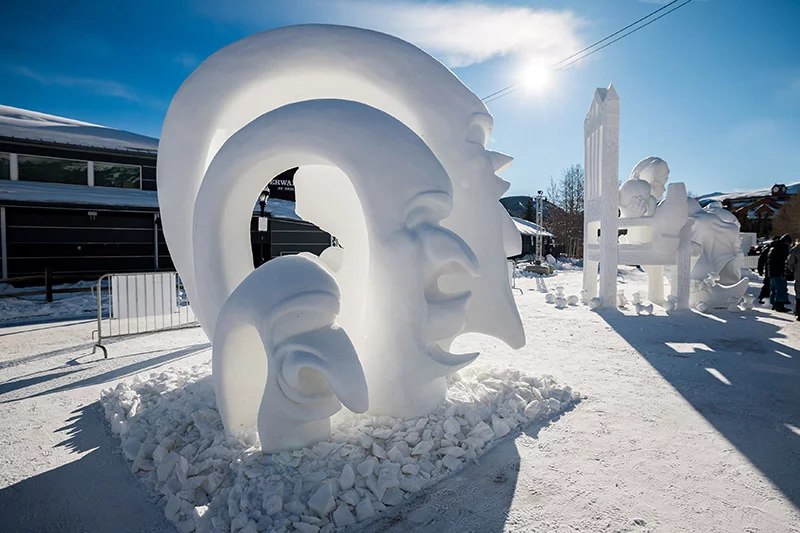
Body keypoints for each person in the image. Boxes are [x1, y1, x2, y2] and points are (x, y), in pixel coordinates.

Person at [768, 234, 793, 312]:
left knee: (774, 288)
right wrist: (784, 271)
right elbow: (781, 262)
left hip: (772, 272)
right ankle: (779, 305)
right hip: (778, 272)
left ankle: (774, 303)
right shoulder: (782, 249)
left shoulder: (773, 247)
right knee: (781, 289)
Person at [757, 236, 779, 304]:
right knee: (768, 284)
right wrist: (760, 269)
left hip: (769, 268)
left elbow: (761, 260)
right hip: (770, 269)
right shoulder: (770, 248)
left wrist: (760, 269)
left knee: (768, 283)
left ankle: (764, 297)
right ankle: (763, 297)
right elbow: (761, 260)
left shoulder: (768, 248)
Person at [785, 239, 800, 321]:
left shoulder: (797, 248)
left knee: (799, 293)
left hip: (799, 274)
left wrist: (792, 270)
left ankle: (799, 312)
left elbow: (790, 261)